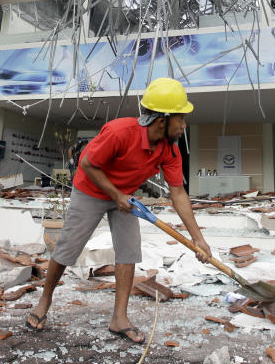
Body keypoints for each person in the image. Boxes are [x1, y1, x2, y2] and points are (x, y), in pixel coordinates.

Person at [26, 77, 212, 343]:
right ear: (163, 120)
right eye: (181, 119)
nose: (184, 126)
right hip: (91, 190)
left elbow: (178, 193)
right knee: (68, 248)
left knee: (128, 250)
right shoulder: (119, 132)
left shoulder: (170, 149)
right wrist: (116, 194)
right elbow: (87, 163)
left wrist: (198, 239)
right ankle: (44, 300)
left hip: (125, 197)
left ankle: (119, 318)